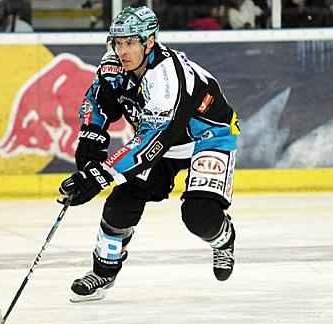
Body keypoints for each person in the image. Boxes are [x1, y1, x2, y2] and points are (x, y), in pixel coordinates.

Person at [59, 6, 240, 302]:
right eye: (118, 43)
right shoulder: (115, 66)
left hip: (208, 138)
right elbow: (98, 100)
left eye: (131, 43)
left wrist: (99, 176)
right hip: (162, 141)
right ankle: (103, 272)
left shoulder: (166, 78)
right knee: (120, 205)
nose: (122, 51)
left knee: (199, 217)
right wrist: (91, 138)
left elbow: (151, 142)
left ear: (149, 42)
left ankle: (224, 239)